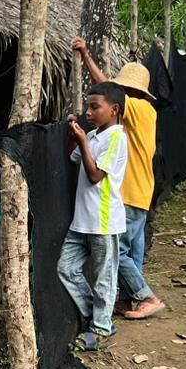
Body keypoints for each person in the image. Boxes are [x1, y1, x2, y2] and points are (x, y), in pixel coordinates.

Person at [72, 37, 166, 320]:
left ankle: (145, 296)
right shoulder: (142, 115)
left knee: (118, 252)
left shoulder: (139, 109)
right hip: (141, 192)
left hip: (127, 193)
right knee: (133, 252)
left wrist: (87, 56)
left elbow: (105, 91)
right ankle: (130, 301)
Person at [57, 83, 129, 351]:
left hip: (103, 221)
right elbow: (72, 157)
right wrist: (73, 136)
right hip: (82, 221)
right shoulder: (96, 136)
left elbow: (95, 175)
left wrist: (84, 141)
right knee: (65, 268)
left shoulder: (116, 138)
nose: (89, 112)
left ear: (114, 109)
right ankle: (100, 318)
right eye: (88, 106)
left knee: (104, 278)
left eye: (95, 107)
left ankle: (100, 330)